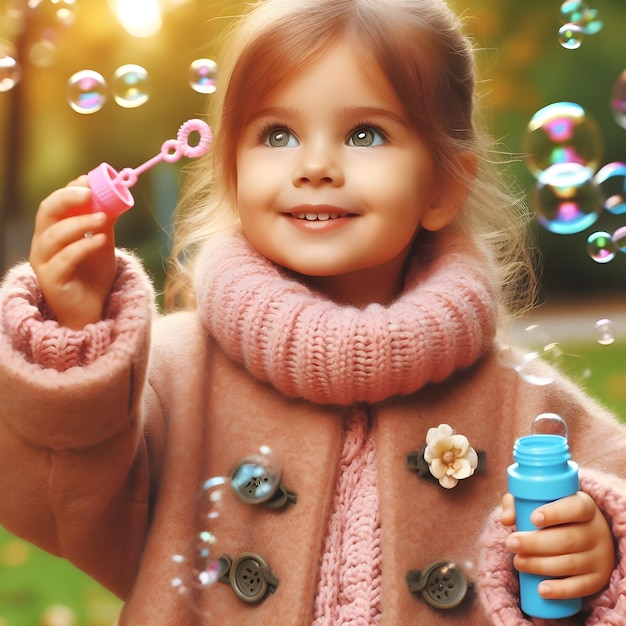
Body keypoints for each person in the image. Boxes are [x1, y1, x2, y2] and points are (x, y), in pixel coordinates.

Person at [0, 0, 625, 623]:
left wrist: (602, 550)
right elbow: (53, 509)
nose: (316, 167)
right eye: (277, 134)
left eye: (364, 134)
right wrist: (75, 336)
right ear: (232, 168)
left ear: (442, 186)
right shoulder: (170, 377)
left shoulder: (525, 407)